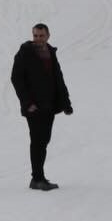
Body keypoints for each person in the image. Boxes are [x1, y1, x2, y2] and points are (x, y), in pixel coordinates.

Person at [10, 23, 74, 191]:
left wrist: (66, 103)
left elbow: (58, 79)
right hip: (34, 107)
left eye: (41, 35)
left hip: (49, 106)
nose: (38, 39)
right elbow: (16, 79)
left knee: (44, 141)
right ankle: (37, 178)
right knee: (37, 142)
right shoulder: (24, 53)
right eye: (35, 35)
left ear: (48, 36)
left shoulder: (51, 53)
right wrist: (27, 103)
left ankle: (38, 177)